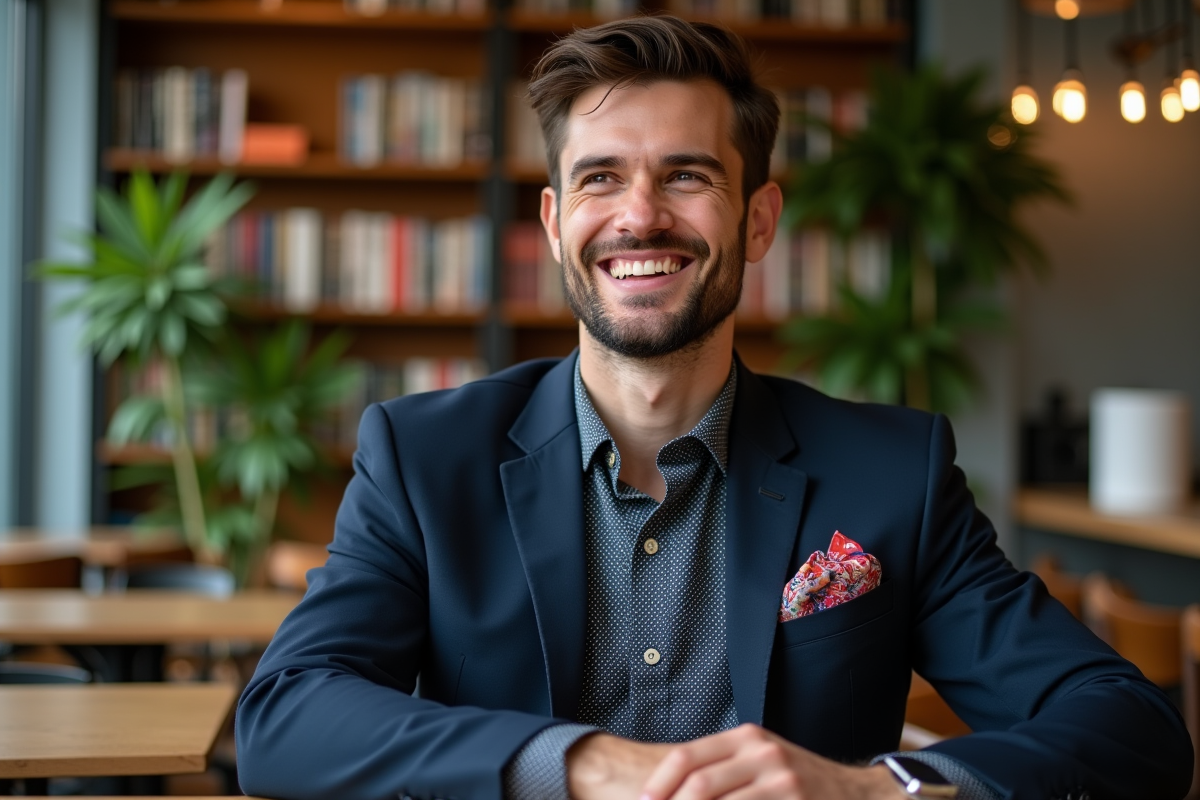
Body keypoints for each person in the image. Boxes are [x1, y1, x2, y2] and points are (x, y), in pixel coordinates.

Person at [236, 15, 1193, 800]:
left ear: (758, 219)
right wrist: (578, 764)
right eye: (600, 177)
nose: (639, 215)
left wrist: (880, 789)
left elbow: (1130, 726)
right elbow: (286, 717)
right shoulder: (421, 456)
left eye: (686, 175)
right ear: (556, 224)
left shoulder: (891, 474)